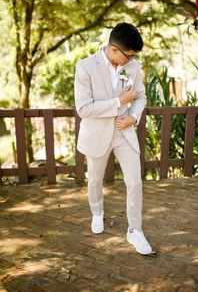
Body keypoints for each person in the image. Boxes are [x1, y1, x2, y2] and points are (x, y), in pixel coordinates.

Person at [74, 22, 152, 255]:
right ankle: (97, 213)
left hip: (124, 133)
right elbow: (84, 108)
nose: (132, 60)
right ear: (114, 50)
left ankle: (135, 230)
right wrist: (119, 102)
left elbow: (140, 97)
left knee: (135, 182)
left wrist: (133, 118)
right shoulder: (85, 67)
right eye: (129, 55)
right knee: (95, 179)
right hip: (97, 134)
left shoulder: (133, 67)